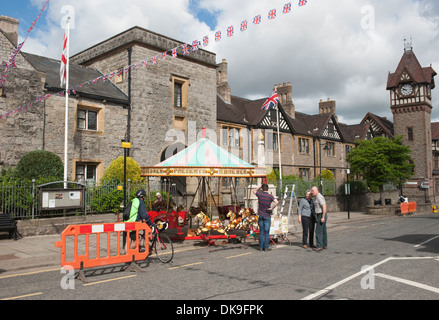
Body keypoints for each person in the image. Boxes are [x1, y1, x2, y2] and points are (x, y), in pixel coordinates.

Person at [253, 184, 278, 251]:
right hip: (267, 215)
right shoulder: (270, 196)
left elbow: (254, 191)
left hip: (261, 215)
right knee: (267, 232)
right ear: (268, 188)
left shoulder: (260, 195)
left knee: (261, 231)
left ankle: (261, 247)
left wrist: (259, 187)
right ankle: (266, 247)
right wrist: (272, 208)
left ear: (262, 189)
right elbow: (276, 202)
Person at [311, 186, 327, 251]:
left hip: (321, 215)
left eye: (313, 191)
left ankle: (319, 246)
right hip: (320, 215)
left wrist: (323, 217)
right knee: (323, 230)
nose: (312, 192)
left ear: (317, 190)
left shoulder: (319, 197)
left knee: (318, 231)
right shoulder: (317, 197)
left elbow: (324, 207)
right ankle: (324, 245)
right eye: (311, 191)